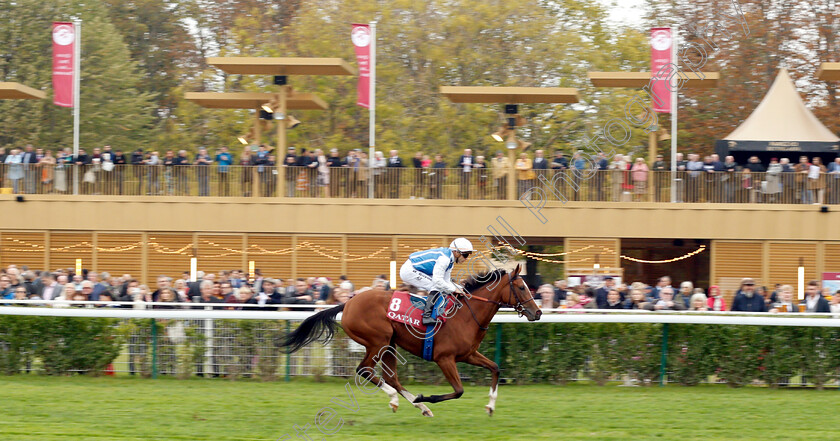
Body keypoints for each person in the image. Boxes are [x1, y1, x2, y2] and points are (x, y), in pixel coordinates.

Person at [399, 237, 474, 325]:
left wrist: (461, 289)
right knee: (436, 286)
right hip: (409, 270)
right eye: (465, 255)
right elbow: (438, 281)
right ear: (456, 252)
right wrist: (454, 290)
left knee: (441, 286)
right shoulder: (444, 259)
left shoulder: (450, 261)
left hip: (416, 269)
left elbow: (446, 282)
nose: (466, 258)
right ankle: (426, 317)